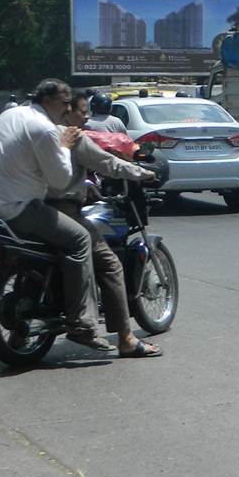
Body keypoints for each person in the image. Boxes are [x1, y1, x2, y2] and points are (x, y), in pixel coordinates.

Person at [0, 79, 111, 356]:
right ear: (48, 101)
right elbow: (60, 181)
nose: (68, 110)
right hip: (17, 208)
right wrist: (64, 145)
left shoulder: (10, 114)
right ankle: (82, 323)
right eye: (65, 104)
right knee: (80, 239)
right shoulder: (46, 129)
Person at [57, 92, 160, 357]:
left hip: (23, 207)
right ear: (67, 112)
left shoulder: (36, 131)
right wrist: (144, 173)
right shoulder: (74, 135)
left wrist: (86, 185)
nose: (87, 117)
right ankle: (123, 337)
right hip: (63, 209)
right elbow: (109, 161)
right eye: (81, 112)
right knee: (109, 264)